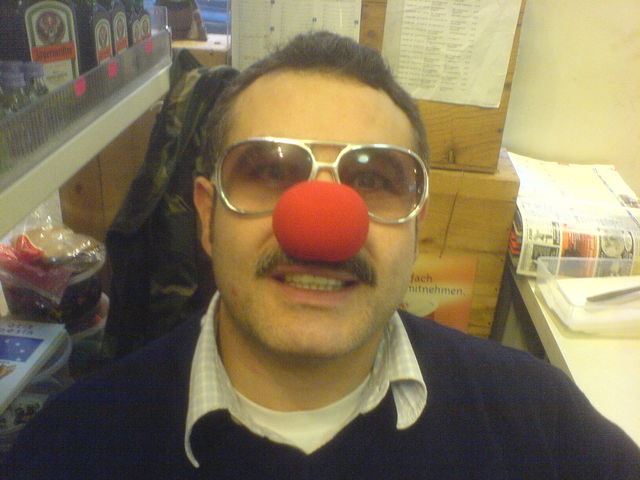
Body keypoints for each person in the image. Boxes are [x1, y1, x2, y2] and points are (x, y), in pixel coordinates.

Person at [3, 32, 639, 479]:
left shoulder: (538, 422)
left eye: (374, 180)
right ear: (207, 216)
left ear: (416, 226)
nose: (322, 227)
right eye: (270, 171)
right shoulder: (69, 450)